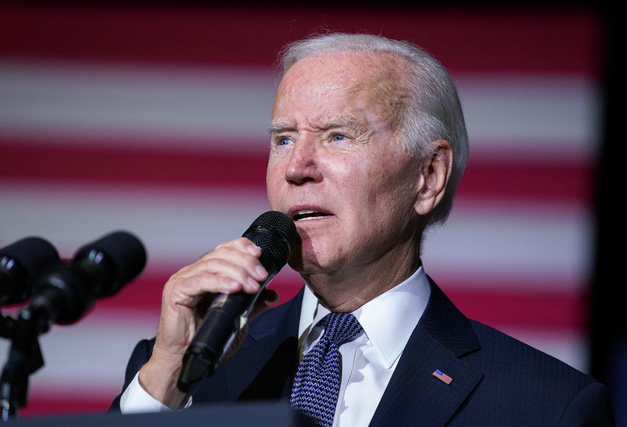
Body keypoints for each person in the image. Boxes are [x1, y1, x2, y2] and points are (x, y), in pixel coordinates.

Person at [110, 33, 614, 425]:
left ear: (428, 177)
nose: (297, 167)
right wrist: (167, 380)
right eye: (283, 139)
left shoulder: (545, 407)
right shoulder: (188, 363)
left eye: (337, 135)